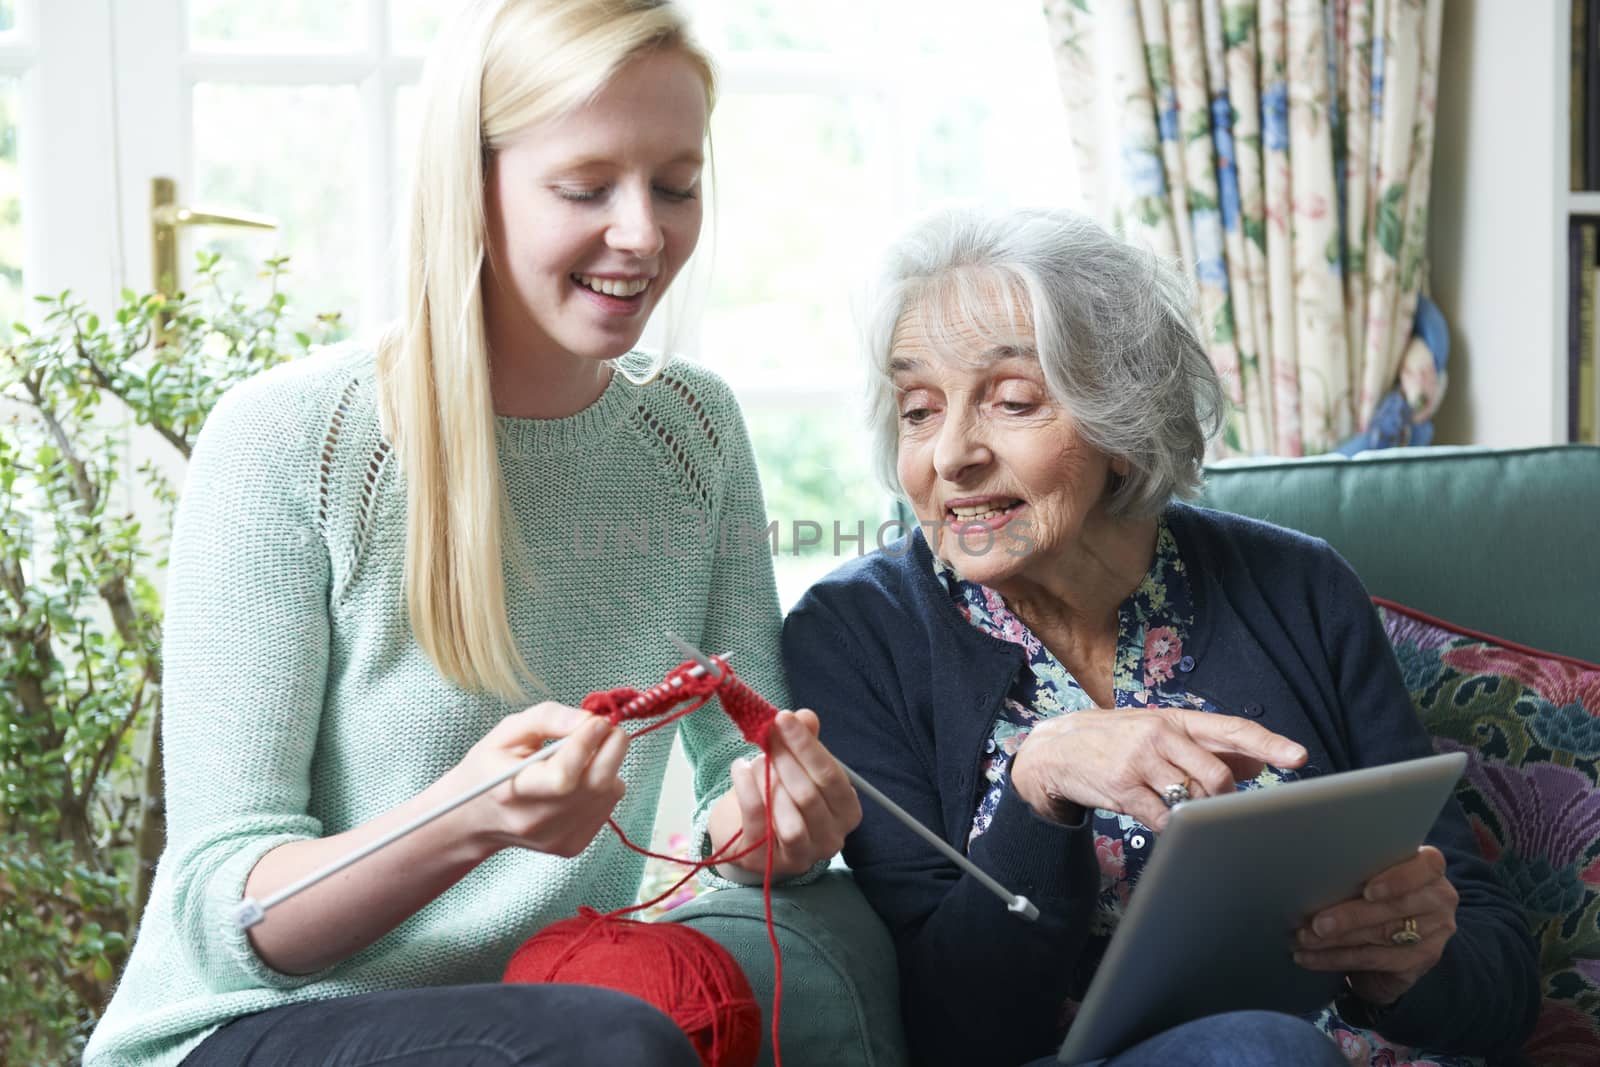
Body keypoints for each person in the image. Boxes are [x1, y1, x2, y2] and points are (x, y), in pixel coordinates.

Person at [85, 2, 861, 1064]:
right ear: (472, 187)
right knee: (606, 1041)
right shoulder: (291, 440)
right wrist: (469, 817)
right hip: (253, 1025)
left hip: (542, 1011)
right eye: (586, 187)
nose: (643, 231)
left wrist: (784, 829)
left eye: (676, 185)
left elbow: (742, 770)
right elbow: (234, 911)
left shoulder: (694, 433)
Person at [781, 206, 1539, 1067]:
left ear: (1124, 424)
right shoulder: (855, 635)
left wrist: (1415, 956)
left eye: (1013, 400)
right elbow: (953, 1028)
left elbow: (1502, 983)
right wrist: (1039, 785)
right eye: (919, 409)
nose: (950, 453)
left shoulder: (1300, 587)